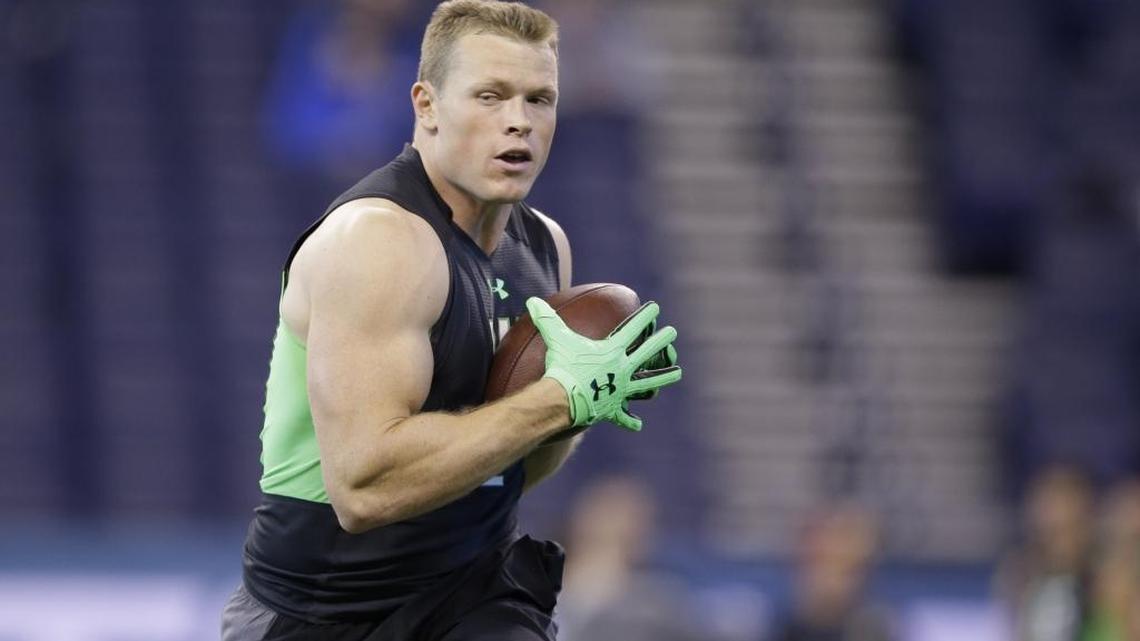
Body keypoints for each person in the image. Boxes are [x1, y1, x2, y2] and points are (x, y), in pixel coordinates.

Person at [220, 1, 682, 640]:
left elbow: (517, 466)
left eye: (539, 99)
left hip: (471, 589)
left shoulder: (547, 246)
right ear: (427, 105)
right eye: (490, 96)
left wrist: (586, 398)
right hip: (328, 605)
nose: (518, 123)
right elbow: (363, 491)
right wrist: (556, 400)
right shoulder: (378, 241)